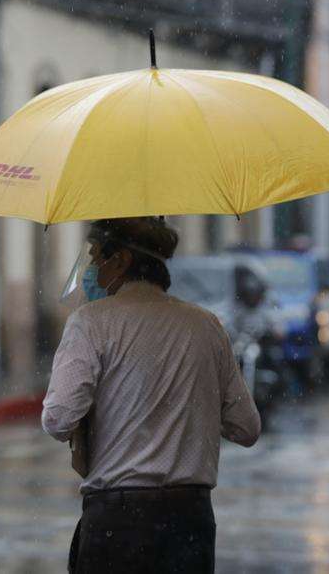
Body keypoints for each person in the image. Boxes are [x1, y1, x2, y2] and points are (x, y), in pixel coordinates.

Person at [43, 217, 262, 574]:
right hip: (189, 523)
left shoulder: (91, 322)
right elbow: (246, 428)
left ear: (122, 260)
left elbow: (58, 418)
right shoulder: (206, 325)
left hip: (118, 523)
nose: (92, 269)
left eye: (97, 257)